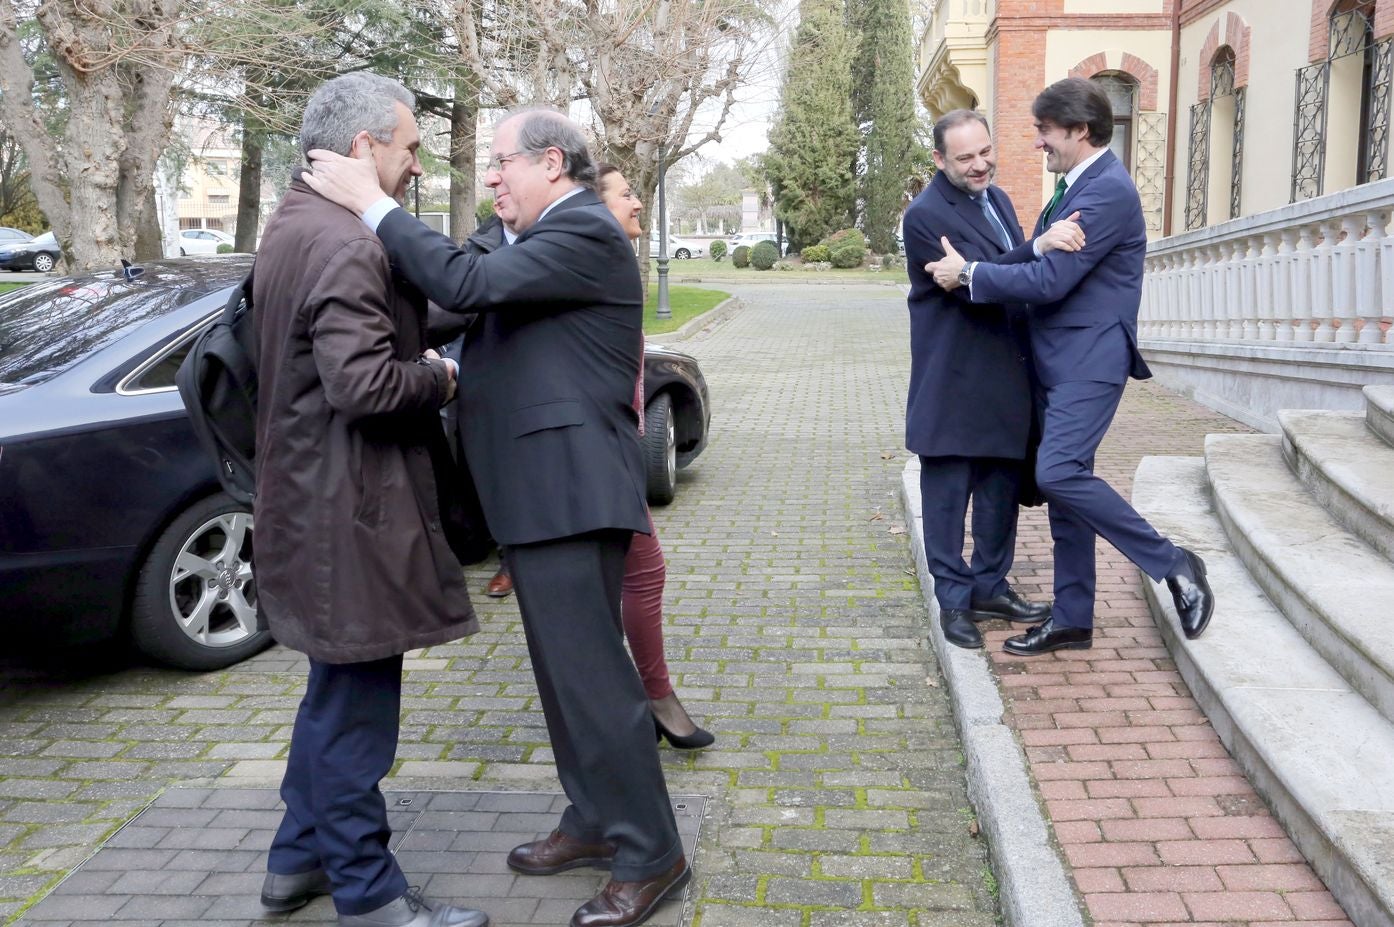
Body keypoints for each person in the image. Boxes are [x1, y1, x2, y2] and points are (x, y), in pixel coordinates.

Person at [304, 109, 689, 927]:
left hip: (572, 488)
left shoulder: (583, 229)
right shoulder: (510, 234)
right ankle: (593, 819)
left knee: (596, 682)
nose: (489, 180)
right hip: (531, 490)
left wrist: (374, 204)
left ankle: (653, 853)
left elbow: (466, 285)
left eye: (499, 165)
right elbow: (445, 291)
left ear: (551, 163)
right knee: (562, 681)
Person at [252, 73, 487, 927]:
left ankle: (293, 862)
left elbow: (361, 325)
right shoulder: (348, 242)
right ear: (364, 148)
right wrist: (444, 376)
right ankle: (372, 893)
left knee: (331, 697)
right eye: (410, 147)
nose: (417, 164)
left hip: (306, 504)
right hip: (350, 518)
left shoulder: (292, 225)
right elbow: (364, 382)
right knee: (357, 718)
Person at [926, 77, 1215, 655]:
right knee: (1067, 488)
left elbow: (1052, 281)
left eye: (1045, 131)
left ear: (1079, 131)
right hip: (1055, 359)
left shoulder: (1105, 191)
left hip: (1089, 361)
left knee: (1058, 473)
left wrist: (971, 275)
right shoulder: (1075, 186)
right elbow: (1041, 264)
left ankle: (1173, 561)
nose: (1038, 143)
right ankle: (1073, 617)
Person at [903, 109, 1077, 649]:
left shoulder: (997, 199)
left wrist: (1026, 261)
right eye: (965, 158)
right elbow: (984, 283)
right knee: (948, 499)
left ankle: (990, 587)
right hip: (954, 379)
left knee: (1000, 494)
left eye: (985, 152)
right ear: (939, 159)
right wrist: (1040, 248)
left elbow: (1002, 272)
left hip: (1005, 374)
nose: (980, 165)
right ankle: (954, 603)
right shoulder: (926, 216)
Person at [594, 162, 714, 748]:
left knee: (639, 575)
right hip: (595, 462)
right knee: (638, 575)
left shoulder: (611, 262)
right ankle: (649, 701)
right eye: (626, 194)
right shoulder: (590, 263)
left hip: (612, 456)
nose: (637, 201)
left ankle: (648, 699)